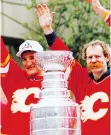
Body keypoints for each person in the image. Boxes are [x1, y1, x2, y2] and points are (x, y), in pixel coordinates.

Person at [36, 4, 110, 135]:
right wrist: (47, 29)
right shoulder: (81, 80)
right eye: (89, 57)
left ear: (107, 57)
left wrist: (101, 12)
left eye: (97, 56)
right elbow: (63, 54)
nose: (93, 60)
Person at [0, 38, 44, 134]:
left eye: (32, 57)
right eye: (24, 59)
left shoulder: (52, 82)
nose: (28, 63)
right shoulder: (15, 77)